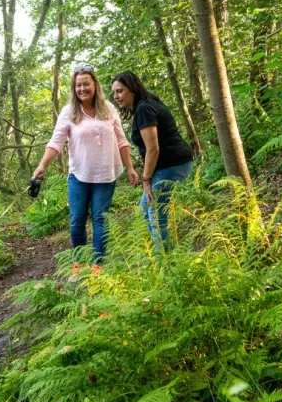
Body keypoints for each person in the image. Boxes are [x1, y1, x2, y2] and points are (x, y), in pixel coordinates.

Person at [32, 64, 139, 267]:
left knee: (100, 219)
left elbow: (122, 140)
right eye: (78, 85)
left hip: (106, 175)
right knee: (77, 221)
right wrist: (42, 165)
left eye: (86, 84)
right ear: (74, 88)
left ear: (94, 84)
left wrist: (131, 168)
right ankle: (78, 265)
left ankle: (98, 266)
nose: (82, 89)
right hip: (79, 175)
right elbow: (56, 143)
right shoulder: (68, 112)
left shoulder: (108, 108)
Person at [111, 71, 194, 246]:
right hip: (169, 164)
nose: (116, 97)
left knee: (155, 215)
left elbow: (153, 149)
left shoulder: (144, 109)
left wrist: (146, 179)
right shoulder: (146, 105)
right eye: (114, 92)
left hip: (171, 164)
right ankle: (164, 255)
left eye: (120, 91)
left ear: (132, 90)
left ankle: (164, 263)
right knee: (145, 211)